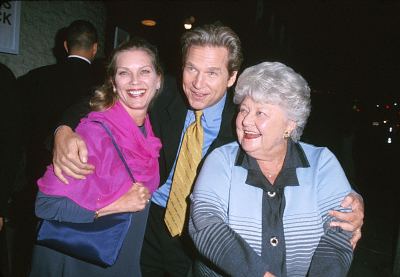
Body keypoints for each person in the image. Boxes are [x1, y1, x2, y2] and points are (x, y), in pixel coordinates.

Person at [51, 23, 364, 276]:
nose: (198, 84)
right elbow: (104, 100)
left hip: (204, 235)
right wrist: (63, 130)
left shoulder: (244, 123)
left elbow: (296, 154)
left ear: (232, 77)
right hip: (146, 220)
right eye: (191, 69)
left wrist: (353, 200)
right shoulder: (166, 96)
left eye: (212, 73)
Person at [189, 61, 354, 276]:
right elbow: (205, 221)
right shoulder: (221, 160)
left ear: (290, 124)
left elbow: (340, 231)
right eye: (244, 110)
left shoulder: (321, 162)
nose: (246, 121)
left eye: (260, 113)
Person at [29, 37, 163, 277]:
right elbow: (45, 205)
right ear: (113, 83)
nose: (135, 81)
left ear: (158, 80)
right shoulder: (93, 134)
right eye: (124, 73)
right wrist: (116, 205)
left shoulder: (148, 133)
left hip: (121, 254)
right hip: (79, 261)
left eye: (144, 71)